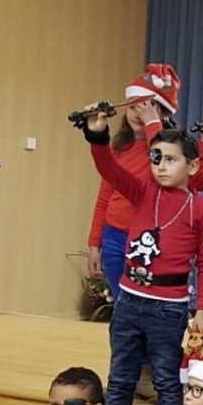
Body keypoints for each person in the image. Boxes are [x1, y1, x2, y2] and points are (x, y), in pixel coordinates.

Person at [78, 103, 203, 405]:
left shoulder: (201, 210)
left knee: (168, 382)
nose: (161, 166)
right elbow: (107, 166)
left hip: (169, 309)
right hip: (130, 302)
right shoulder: (142, 192)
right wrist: (97, 134)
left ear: (193, 165)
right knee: (120, 379)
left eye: (171, 159)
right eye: (156, 159)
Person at [86, 64, 181, 299]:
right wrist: (94, 244)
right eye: (134, 105)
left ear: (164, 112)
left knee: (143, 303)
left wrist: (152, 124)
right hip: (114, 236)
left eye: (148, 107)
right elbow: (104, 197)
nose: (139, 112)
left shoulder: (172, 151)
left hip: (148, 239)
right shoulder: (120, 148)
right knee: (121, 305)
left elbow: (163, 162)